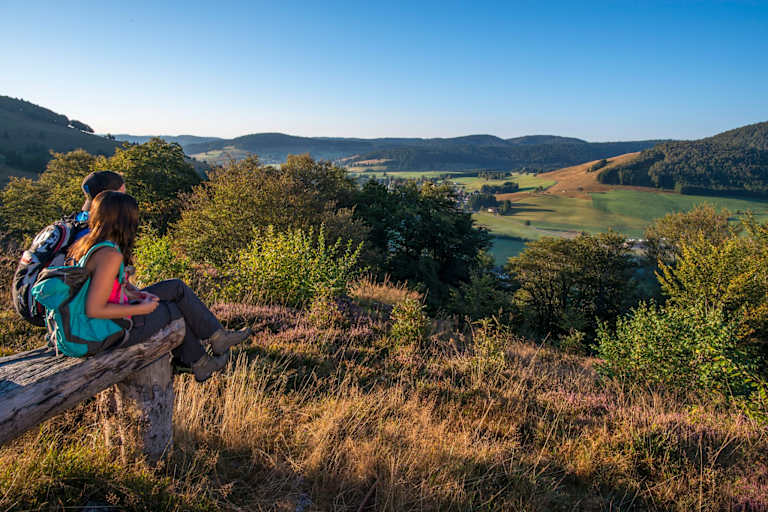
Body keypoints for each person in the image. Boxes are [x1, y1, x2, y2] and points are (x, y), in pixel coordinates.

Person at [67, 190, 250, 381]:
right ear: (124, 220)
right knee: (171, 311)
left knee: (176, 287)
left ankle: (216, 340)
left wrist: (133, 295)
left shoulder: (89, 244)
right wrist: (142, 309)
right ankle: (200, 362)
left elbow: (101, 291)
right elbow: (94, 308)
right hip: (102, 332)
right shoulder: (110, 255)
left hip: (99, 324)